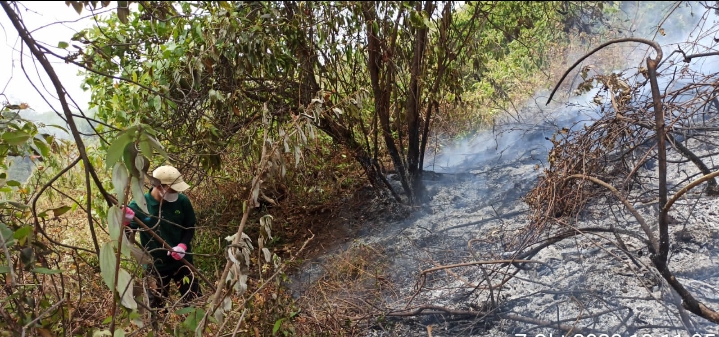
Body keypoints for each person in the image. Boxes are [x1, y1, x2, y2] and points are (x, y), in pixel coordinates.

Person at [122, 165, 201, 310]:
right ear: (159, 186)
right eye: (172, 189)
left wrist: (183, 245)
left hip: (182, 262)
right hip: (155, 265)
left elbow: (189, 227)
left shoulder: (182, 202)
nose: (176, 192)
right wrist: (125, 221)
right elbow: (128, 235)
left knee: (195, 302)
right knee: (157, 308)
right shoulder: (139, 205)